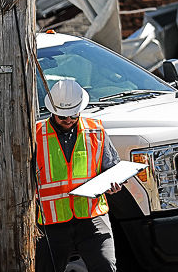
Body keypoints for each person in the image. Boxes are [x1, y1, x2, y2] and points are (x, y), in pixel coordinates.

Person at [35, 79, 124, 272]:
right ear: (52, 111)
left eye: (73, 115)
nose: (68, 120)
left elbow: (112, 168)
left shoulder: (96, 130)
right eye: (62, 116)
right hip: (51, 222)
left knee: (106, 266)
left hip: (91, 216)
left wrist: (114, 184)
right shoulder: (36, 135)